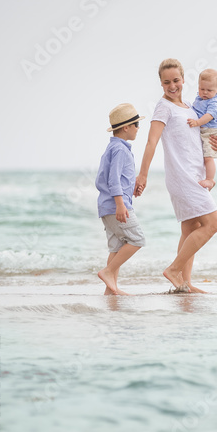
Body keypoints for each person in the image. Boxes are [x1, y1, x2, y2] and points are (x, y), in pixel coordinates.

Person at [135, 58, 217, 293]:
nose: (172, 85)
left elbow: (202, 136)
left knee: (190, 229)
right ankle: (174, 270)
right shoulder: (163, 107)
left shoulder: (190, 106)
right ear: (161, 84)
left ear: (184, 80)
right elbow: (152, 141)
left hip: (196, 174)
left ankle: (184, 284)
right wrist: (142, 175)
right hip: (182, 178)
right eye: (167, 82)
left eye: (176, 80)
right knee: (213, 224)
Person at [95, 103, 146, 295]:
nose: (138, 129)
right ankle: (107, 273)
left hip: (108, 205)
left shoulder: (114, 147)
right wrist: (120, 204)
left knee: (116, 247)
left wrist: (132, 186)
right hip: (115, 206)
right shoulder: (120, 150)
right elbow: (113, 179)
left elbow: (113, 178)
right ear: (126, 127)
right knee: (137, 239)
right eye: (136, 125)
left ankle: (111, 289)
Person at [186, 68, 217, 190]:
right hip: (203, 130)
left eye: (209, 90)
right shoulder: (200, 98)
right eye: (202, 89)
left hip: (210, 132)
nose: (205, 93)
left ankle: (210, 179)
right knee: (203, 157)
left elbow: (208, 116)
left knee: (208, 158)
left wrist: (197, 122)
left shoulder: (215, 102)